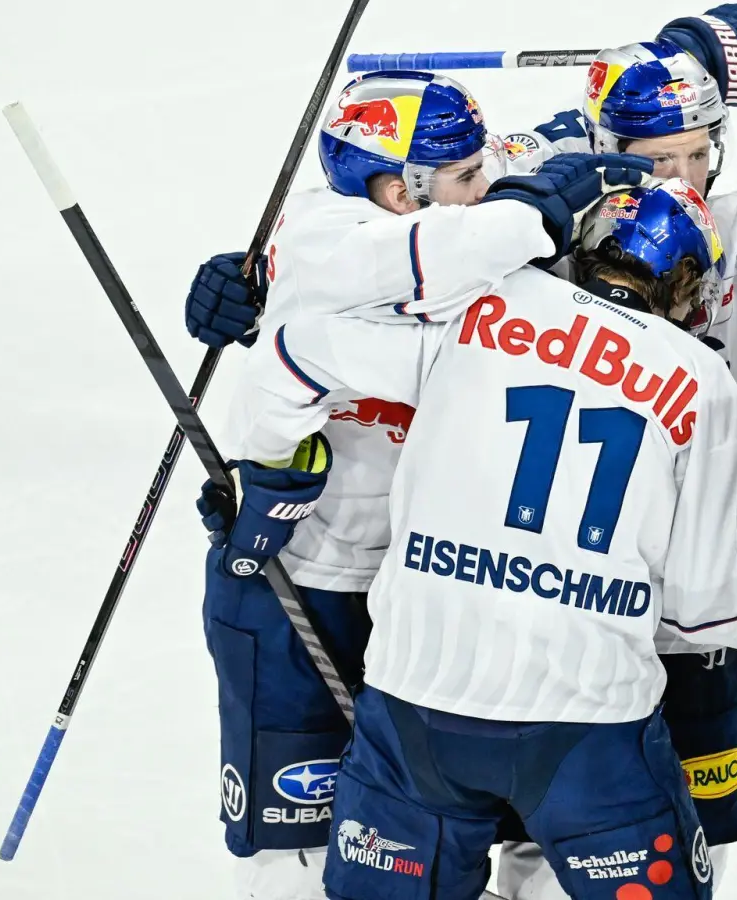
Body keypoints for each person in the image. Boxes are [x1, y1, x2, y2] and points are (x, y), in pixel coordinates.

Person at [220, 177, 737, 900]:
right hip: (588, 722)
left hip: (419, 702)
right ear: (690, 289)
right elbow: (709, 609)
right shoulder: (703, 381)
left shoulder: (478, 307)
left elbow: (290, 359)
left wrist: (273, 481)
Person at [191, 69, 653, 900]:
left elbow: (546, 146)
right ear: (395, 189)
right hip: (306, 580)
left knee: (464, 828)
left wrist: (679, 59)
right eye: (466, 178)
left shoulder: (450, 205)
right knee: (299, 847)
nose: (484, 189)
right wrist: (528, 208)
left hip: (428, 592)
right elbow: (431, 265)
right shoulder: (330, 236)